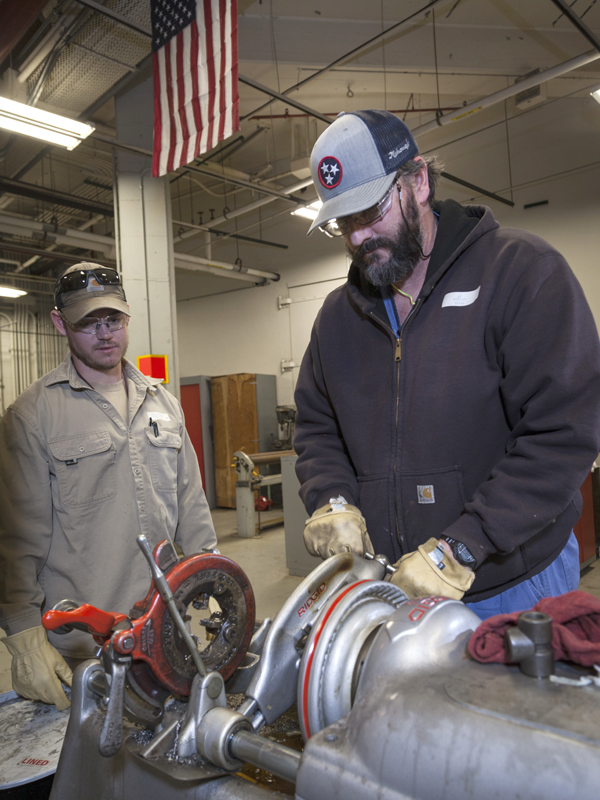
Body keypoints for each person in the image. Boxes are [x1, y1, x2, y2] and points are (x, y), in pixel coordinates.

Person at [294, 109, 600, 620]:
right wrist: (332, 499)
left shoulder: (521, 273)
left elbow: (562, 434)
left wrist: (461, 546)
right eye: (342, 223)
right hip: (399, 588)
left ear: (418, 181)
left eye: (369, 212)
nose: (356, 238)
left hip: (516, 582)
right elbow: (317, 428)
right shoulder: (336, 319)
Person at [0, 262, 217, 710]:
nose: (104, 333)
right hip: (84, 649)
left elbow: (192, 510)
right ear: (60, 323)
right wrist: (23, 637)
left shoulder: (164, 403)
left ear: (127, 316)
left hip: (165, 632)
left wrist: (209, 589)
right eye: (88, 323)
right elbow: (16, 540)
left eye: (113, 320)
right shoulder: (32, 416)